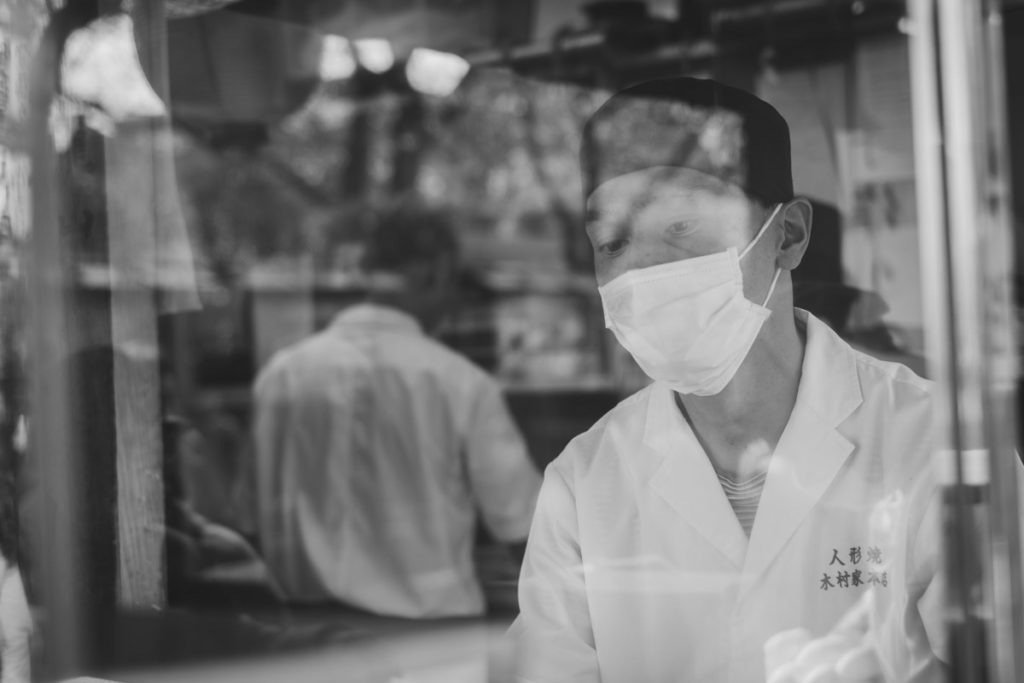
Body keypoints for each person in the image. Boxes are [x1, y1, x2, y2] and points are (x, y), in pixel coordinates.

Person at [511, 78, 947, 682]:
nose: (639, 271)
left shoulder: (932, 442)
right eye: (611, 242)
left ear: (787, 236)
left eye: (682, 225)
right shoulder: (583, 483)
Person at [250, 201, 541, 619]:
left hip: (302, 648)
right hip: (429, 659)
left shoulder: (282, 376)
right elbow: (524, 529)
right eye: (453, 281)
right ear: (435, 271)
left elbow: (252, 514)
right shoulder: (459, 384)